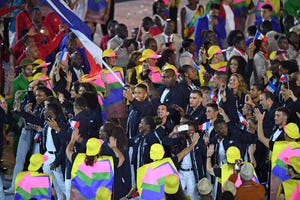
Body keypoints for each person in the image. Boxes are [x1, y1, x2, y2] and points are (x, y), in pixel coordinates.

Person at [66, 132, 114, 199]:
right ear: (99, 149)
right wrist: (114, 148)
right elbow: (121, 159)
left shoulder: (78, 158)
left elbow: (68, 150)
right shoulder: (107, 161)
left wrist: (73, 139)